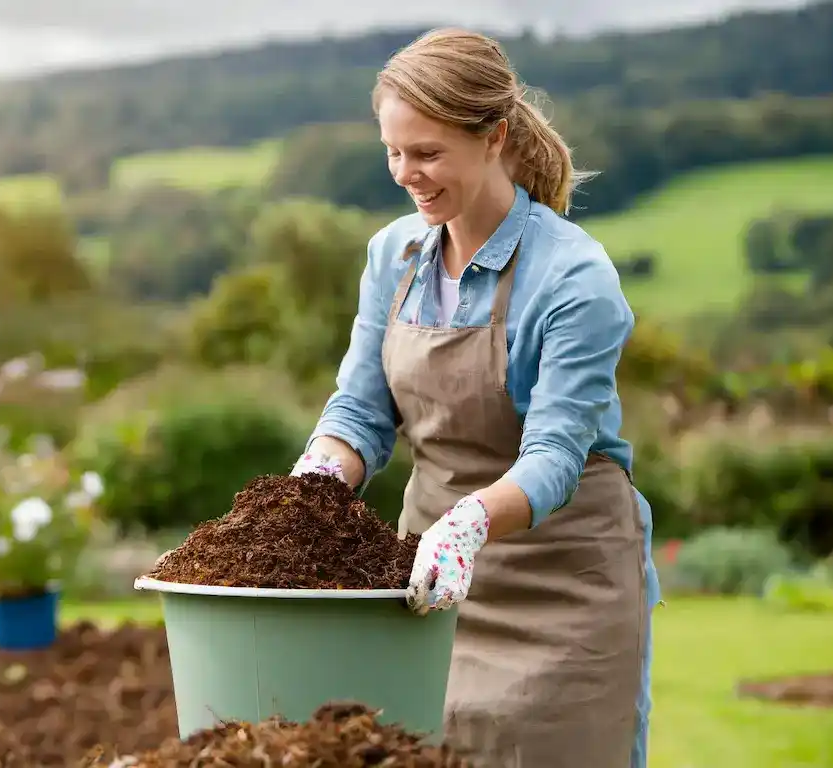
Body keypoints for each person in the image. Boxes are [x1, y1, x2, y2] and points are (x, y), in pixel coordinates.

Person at [289, 27, 660, 768]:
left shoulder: (573, 277)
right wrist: (317, 481)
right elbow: (360, 411)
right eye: (393, 152)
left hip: (564, 585)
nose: (406, 174)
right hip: (429, 586)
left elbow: (555, 455)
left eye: (427, 153)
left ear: (494, 138)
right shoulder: (393, 255)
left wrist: (468, 523)